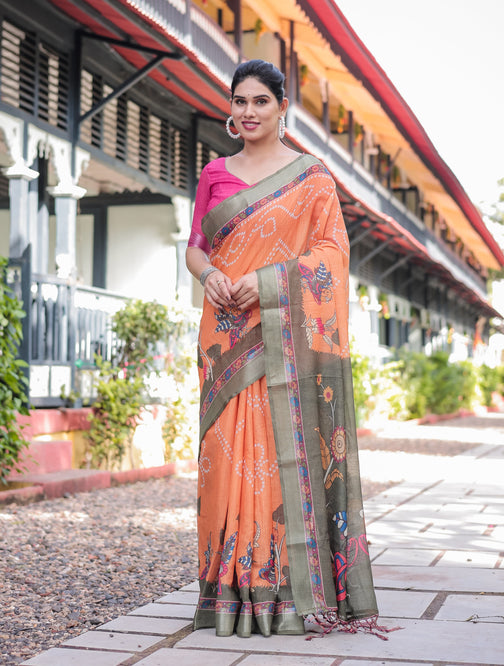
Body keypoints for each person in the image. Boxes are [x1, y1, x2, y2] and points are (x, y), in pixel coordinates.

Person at [186, 59, 384, 639]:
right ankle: (228, 594)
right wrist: (210, 276)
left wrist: (270, 281)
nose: (247, 112)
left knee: (279, 457)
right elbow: (195, 247)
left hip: (282, 340)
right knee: (224, 464)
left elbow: (332, 254)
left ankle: (285, 592)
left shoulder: (311, 177)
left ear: (280, 109)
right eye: (239, 101)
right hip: (227, 336)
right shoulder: (215, 174)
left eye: (260, 102)